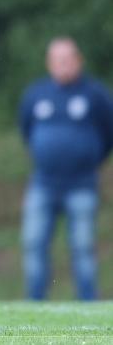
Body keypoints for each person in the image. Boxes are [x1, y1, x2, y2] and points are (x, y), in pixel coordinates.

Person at [19, 37, 113, 300]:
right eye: (58, 60)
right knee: (34, 243)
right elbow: (26, 132)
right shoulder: (36, 94)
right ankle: (34, 303)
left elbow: (109, 134)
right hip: (43, 183)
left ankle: (87, 304)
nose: (64, 65)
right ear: (49, 63)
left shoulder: (95, 95)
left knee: (82, 247)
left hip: (81, 184)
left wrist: (88, 157)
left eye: (68, 59)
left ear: (78, 60)